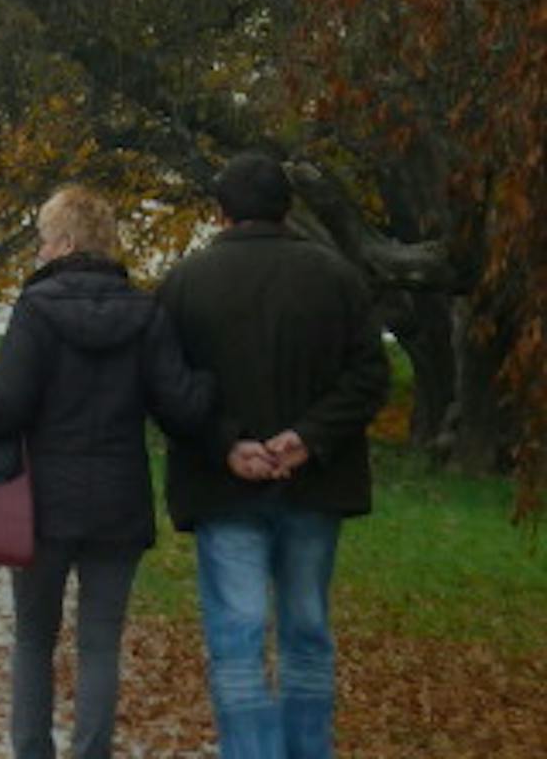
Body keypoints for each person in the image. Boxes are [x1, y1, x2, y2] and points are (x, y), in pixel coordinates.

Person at [159, 154, 391, 759]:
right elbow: (369, 375)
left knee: (237, 641)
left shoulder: (185, 282)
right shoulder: (337, 278)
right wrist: (308, 437)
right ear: (289, 207)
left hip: (225, 488)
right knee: (307, 635)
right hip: (313, 484)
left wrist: (224, 442)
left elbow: (167, 387)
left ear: (221, 211)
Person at [0, 185, 216, 759]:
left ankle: (32, 750)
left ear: (62, 242)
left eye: (41, 241)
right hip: (118, 501)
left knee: (34, 639)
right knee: (99, 645)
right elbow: (181, 408)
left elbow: (7, 404)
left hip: (41, 503)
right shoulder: (147, 313)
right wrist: (212, 385)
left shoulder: (35, 311)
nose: (37, 253)